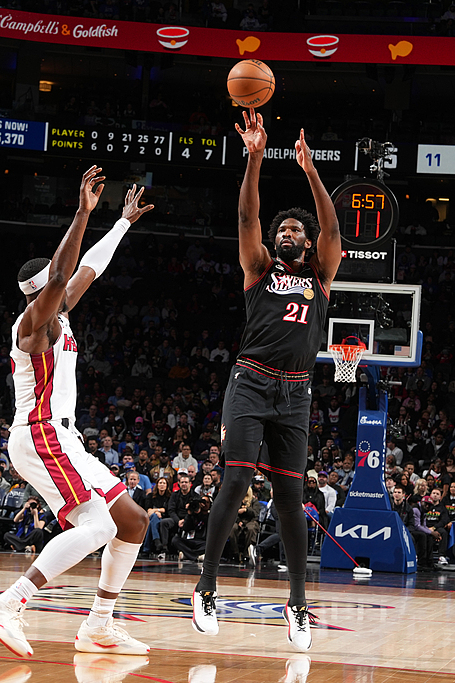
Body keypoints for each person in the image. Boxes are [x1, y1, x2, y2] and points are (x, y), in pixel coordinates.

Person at [0, 168, 154, 659]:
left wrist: (121, 224)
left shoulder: (61, 312)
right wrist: (81, 213)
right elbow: (60, 276)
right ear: (40, 296)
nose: (66, 290)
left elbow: (88, 268)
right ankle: (7, 604)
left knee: (132, 521)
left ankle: (99, 626)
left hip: (64, 439)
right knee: (98, 527)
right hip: (40, 434)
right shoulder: (32, 326)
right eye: (55, 290)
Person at [193, 109, 342, 653]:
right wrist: (255, 158)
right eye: (282, 229)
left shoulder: (321, 274)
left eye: (294, 230)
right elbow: (246, 216)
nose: (286, 233)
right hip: (252, 382)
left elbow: (332, 229)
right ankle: (207, 587)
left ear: (306, 242)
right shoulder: (259, 268)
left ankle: (297, 602)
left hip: (297, 391)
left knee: (290, 497)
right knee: (235, 481)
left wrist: (311, 171)